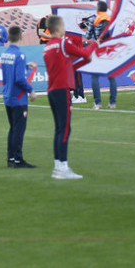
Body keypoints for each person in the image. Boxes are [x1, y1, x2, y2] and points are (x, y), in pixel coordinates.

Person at [42, 14, 94, 179]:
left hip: (51, 90)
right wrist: (95, 45)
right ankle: (62, 167)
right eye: (63, 25)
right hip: (61, 89)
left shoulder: (47, 47)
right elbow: (84, 53)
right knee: (64, 129)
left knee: (59, 129)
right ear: (58, 28)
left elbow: (67, 62)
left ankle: (58, 166)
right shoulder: (63, 43)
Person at [0, 26, 36, 168]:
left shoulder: (5, 54)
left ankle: (11, 159)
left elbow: (12, 72)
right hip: (18, 98)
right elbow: (20, 79)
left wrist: (27, 67)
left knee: (13, 128)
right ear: (21, 37)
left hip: (8, 96)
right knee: (19, 130)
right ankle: (18, 159)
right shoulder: (20, 55)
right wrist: (31, 90)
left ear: (8, 38)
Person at [86, 2, 114, 109]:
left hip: (97, 49)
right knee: (111, 76)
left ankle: (97, 103)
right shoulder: (110, 19)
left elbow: (88, 36)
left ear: (97, 8)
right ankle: (112, 103)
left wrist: (87, 28)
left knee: (94, 76)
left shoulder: (93, 19)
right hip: (108, 49)